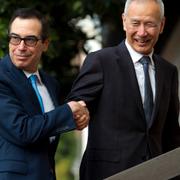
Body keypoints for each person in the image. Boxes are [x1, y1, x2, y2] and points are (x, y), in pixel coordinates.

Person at [67, 0, 180, 179]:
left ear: (162, 25)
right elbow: (75, 105)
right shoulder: (100, 61)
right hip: (110, 174)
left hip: (158, 173)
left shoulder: (169, 71)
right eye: (135, 23)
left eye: (150, 24)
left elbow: (171, 132)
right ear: (124, 21)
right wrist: (77, 112)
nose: (142, 32)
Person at [0, 8, 89, 180]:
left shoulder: (50, 84)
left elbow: (49, 129)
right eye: (15, 38)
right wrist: (68, 111)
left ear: (45, 44)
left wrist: (78, 117)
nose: (21, 47)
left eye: (30, 40)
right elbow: (23, 130)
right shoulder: (1, 77)